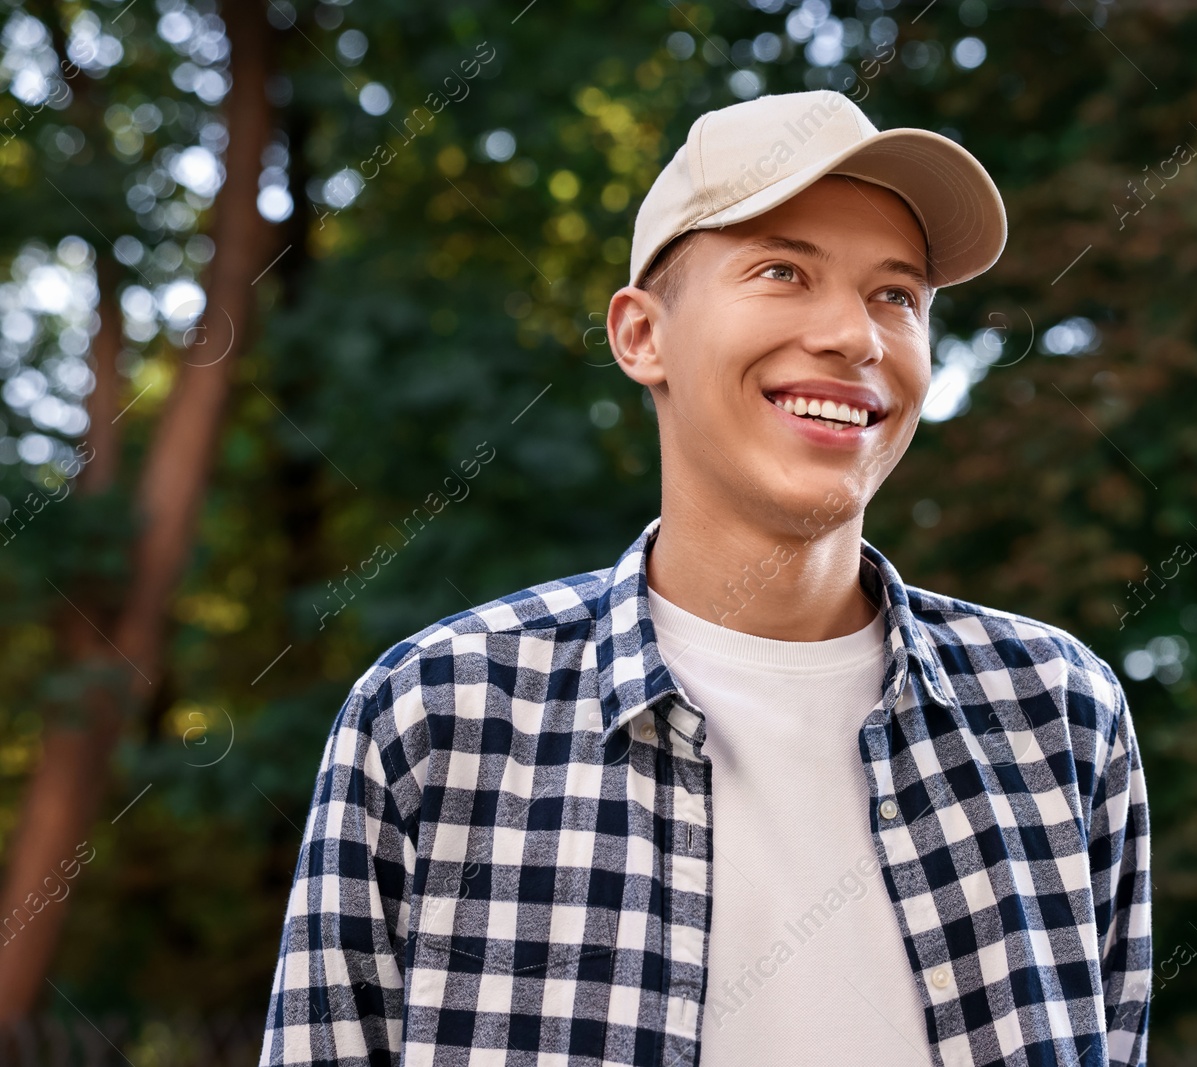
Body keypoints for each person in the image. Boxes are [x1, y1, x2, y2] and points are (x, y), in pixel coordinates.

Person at [259, 88, 1151, 1067]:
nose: (855, 335)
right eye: (782, 269)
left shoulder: (1057, 714)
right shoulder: (440, 713)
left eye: (895, 293)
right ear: (642, 335)